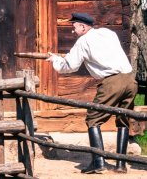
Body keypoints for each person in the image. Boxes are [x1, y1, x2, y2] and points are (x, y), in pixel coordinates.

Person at [46, 13, 138, 174]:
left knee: (93, 119)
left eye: (74, 27)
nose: (73, 32)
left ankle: (98, 161)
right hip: (130, 80)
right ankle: (120, 165)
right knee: (123, 118)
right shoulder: (108, 33)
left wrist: (55, 60)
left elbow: (70, 66)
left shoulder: (83, 41)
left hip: (112, 82)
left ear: (83, 26)